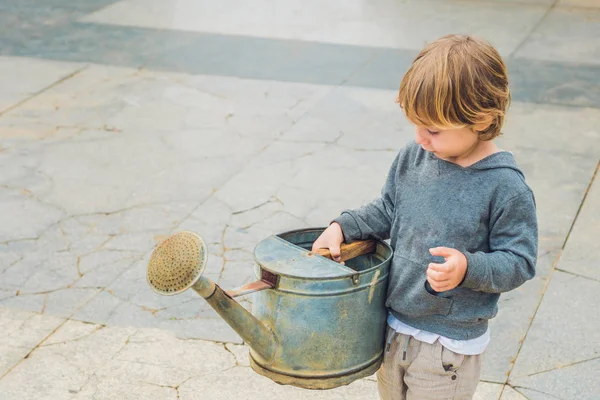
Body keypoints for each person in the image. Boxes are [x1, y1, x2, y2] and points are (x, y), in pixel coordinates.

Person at [311, 34, 538, 400]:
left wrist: (468, 268)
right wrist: (342, 225)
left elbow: (520, 262)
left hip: (448, 344)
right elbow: (387, 208)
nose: (420, 139)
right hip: (394, 326)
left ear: (480, 119)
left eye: (432, 129)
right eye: (415, 124)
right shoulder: (413, 158)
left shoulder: (505, 187)